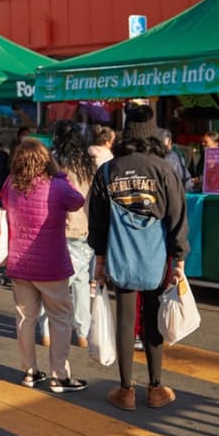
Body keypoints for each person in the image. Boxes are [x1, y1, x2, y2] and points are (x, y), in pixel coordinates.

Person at [87, 105, 189, 411]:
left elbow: (98, 221)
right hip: (156, 258)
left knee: (125, 318)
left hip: (120, 256)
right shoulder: (164, 169)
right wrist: (179, 261)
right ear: (153, 133)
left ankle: (126, 390)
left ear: (125, 132)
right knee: (153, 318)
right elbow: (177, 218)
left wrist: (100, 261)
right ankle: (156, 388)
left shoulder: (108, 170)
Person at [0, 138, 88, 393]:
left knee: (25, 319)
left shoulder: (10, 183)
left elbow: (5, 205)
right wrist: (61, 175)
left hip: (19, 264)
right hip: (51, 264)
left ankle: (29, 371)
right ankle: (59, 375)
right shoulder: (57, 186)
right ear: (46, 160)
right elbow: (78, 202)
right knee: (60, 318)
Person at [37, 121, 97, 349]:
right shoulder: (88, 164)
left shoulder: (53, 162)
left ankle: (46, 329)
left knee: (52, 281)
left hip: (56, 227)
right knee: (81, 281)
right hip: (84, 227)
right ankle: (82, 331)